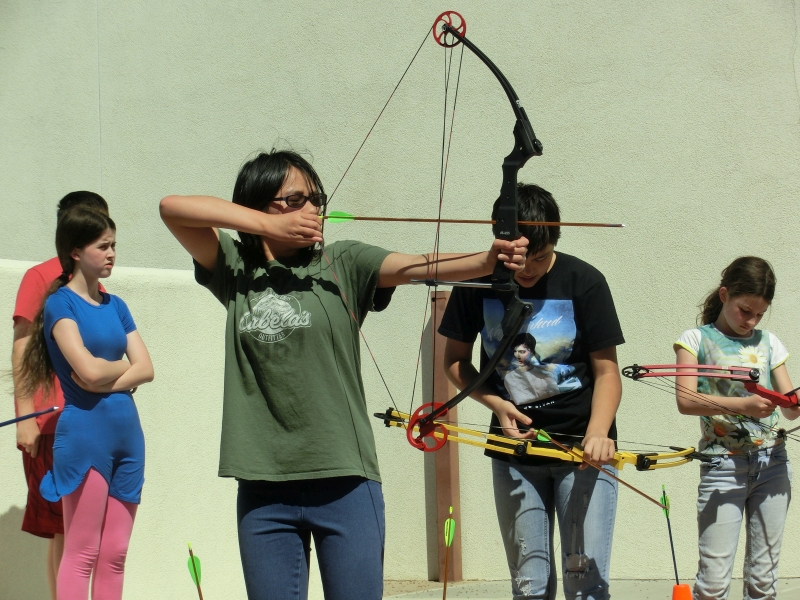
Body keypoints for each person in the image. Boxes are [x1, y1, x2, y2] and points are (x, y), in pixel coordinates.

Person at [158, 149, 529, 600]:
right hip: (263, 486)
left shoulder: (343, 262)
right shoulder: (237, 270)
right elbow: (172, 208)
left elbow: (422, 265)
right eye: (296, 199)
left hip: (345, 481)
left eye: (318, 198)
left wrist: (488, 259)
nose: (314, 209)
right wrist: (268, 227)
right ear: (259, 207)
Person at [439, 183, 624, 600]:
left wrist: (598, 433)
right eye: (523, 258)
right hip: (514, 454)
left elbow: (607, 372)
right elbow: (454, 361)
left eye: (541, 258)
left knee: (586, 586)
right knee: (529, 585)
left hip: (582, 452)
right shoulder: (476, 282)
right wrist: (496, 403)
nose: (530, 269)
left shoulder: (585, 281)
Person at [16, 206, 154, 600]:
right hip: (85, 438)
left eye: (114, 246)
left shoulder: (117, 306)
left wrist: (103, 377)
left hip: (128, 438)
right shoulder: (61, 304)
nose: (112, 253)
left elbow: (145, 368)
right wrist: (114, 373)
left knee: (115, 553)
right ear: (75, 251)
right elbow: (87, 371)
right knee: (83, 552)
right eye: (103, 246)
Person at [673, 256, 799, 600]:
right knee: (713, 582)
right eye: (746, 310)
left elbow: (788, 407)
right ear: (725, 295)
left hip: (772, 463)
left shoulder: (770, 342)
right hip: (722, 467)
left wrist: (795, 401)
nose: (752, 321)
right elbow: (685, 400)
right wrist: (743, 405)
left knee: (763, 579)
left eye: (759, 314)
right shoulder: (695, 339)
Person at [11, 191, 108, 600]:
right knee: (65, 530)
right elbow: (22, 346)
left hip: (97, 423)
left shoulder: (99, 288)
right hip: (53, 424)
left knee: (96, 531)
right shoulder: (41, 277)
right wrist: (25, 417)